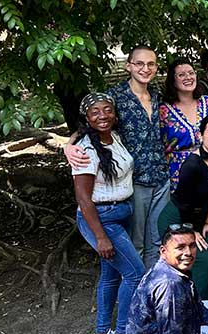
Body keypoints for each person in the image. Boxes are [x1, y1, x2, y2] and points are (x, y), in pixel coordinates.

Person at [66, 45, 169, 269]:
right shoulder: (115, 97)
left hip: (161, 176)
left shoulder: (157, 95)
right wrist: (68, 146)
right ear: (128, 66)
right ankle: (135, 290)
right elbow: (89, 126)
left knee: (157, 239)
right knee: (137, 242)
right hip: (135, 180)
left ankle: (152, 289)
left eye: (151, 64)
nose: (145, 68)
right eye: (139, 63)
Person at [72, 93, 144, 334]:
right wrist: (101, 237)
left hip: (120, 213)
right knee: (135, 274)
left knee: (111, 274)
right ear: (86, 117)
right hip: (101, 219)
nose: (102, 116)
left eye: (107, 110)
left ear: (114, 114)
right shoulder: (85, 149)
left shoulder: (115, 137)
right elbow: (83, 198)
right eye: (95, 112)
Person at [157, 113, 208, 303]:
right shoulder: (191, 165)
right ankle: (202, 311)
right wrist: (192, 231)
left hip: (201, 217)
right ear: (201, 135)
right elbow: (184, 204)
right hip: (179, 219)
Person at [160, 59, 208, 192]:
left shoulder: (207, 103)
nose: (188, 77)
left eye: (191, 73)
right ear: (173, 81)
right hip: (179, 174)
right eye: (181, 75)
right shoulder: (164, 110)